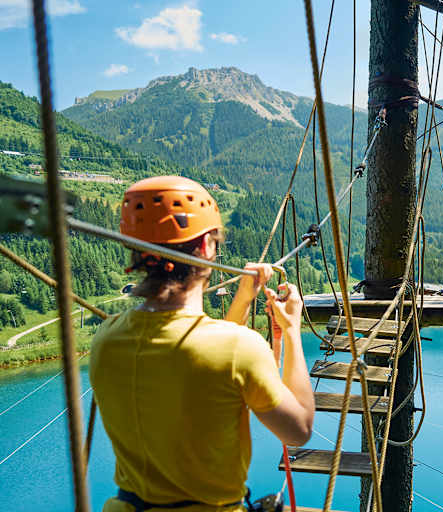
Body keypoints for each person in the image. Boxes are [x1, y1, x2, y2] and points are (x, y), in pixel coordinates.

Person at [90, 176, 314, 512]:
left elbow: (203, 356)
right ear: (208, 247)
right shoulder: (240, 348)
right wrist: (293, 330)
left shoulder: (107, 338)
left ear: (135, 251)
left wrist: (242, 299)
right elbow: (298, 430)